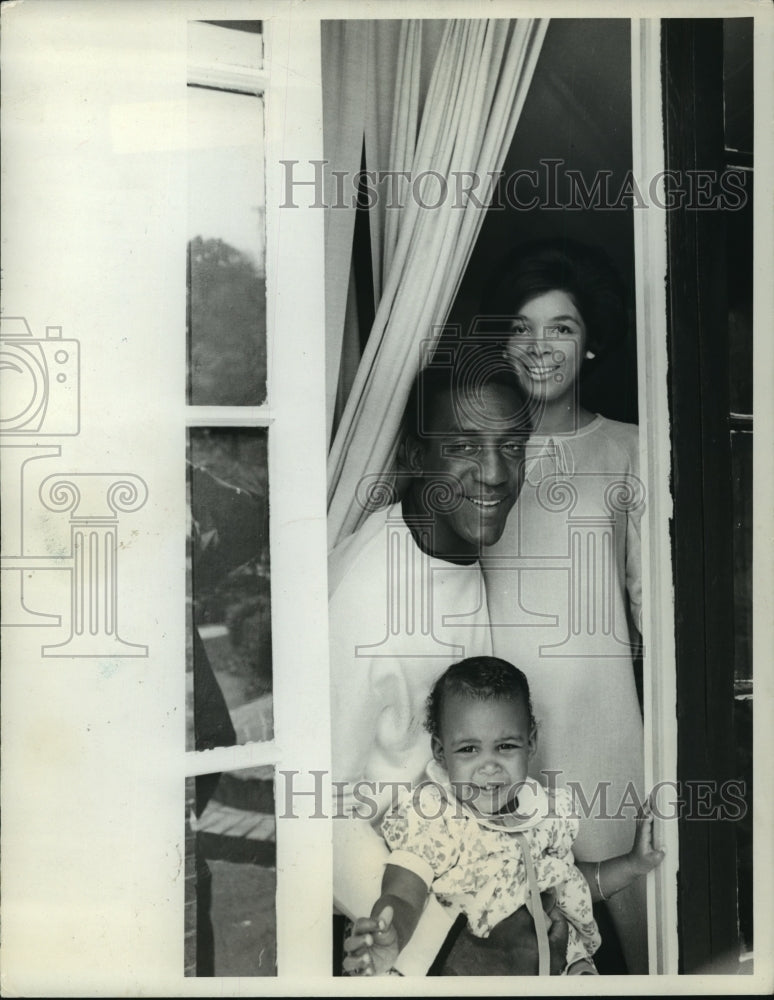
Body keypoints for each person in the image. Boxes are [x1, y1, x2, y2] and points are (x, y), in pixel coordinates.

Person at [329, 358, 568, 974]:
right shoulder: (368, 599)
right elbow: (313, 807)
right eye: (463, 445)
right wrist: (443, 944)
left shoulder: (459, 546)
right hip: (411, 933)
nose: (494, 474)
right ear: (414, 454)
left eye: (511, 446)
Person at [479, 239, 648, 971]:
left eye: (562, 327)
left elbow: (654, 610)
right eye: (521, 327)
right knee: (518, 939)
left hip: (604, 732)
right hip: (499, 740)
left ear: (592, 343)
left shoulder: (634, 450)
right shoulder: (478, 455)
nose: (538, 346)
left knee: (628, 937)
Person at [343, 657, 664, 977]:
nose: (489, 766)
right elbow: (402, 894)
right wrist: (391, 936)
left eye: (506, 746)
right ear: (441, 752)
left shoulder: (546, 813)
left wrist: (632, 865)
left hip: (568, 971)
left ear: (531, 743)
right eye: (469, 749)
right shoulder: (435, 816)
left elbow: (573, 884)